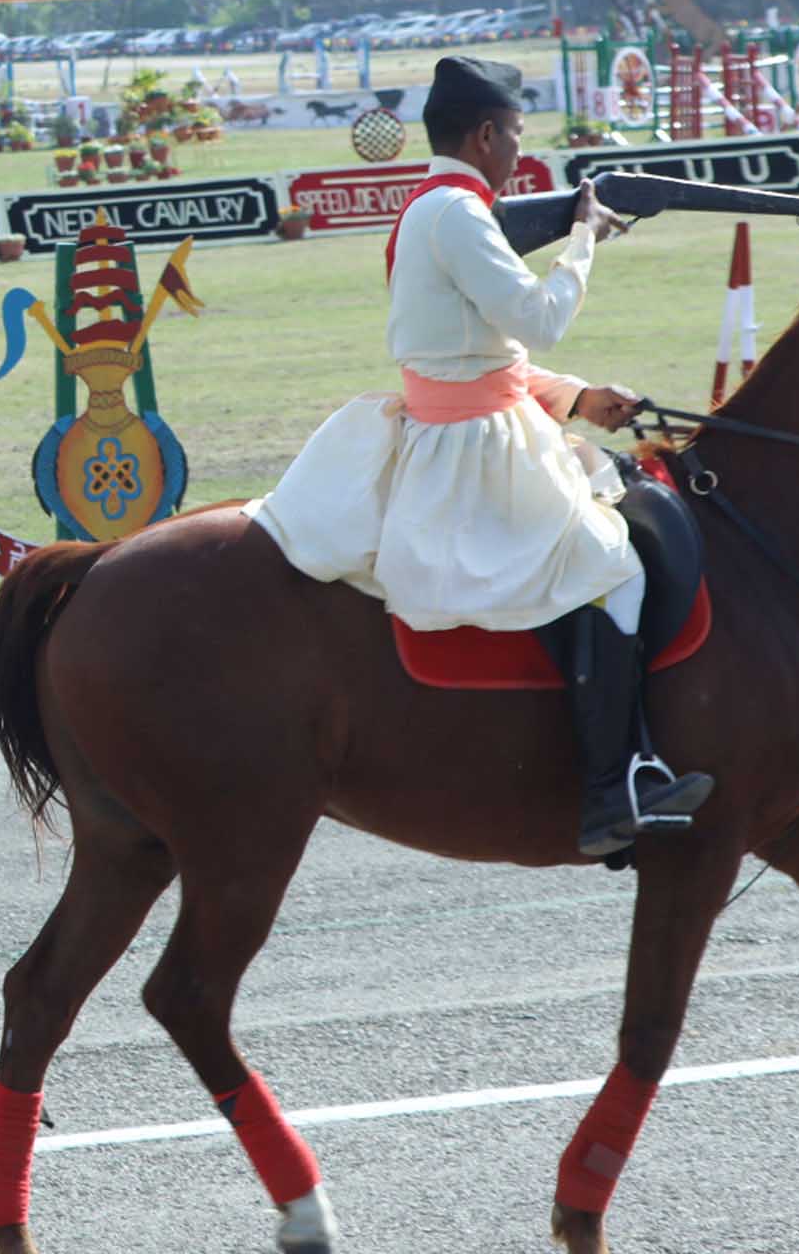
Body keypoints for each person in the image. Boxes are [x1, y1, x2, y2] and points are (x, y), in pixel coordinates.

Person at [249, 56, 713, 857]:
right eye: (517, 137)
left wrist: (573, 398)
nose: (519, 154)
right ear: (487, 133)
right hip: (474, 451)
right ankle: (612, 787)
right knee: (612, 566)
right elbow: (539, 320)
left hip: (478, 427)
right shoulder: (460, 214)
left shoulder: (430, 209)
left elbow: (476, 354)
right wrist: (583, 240)